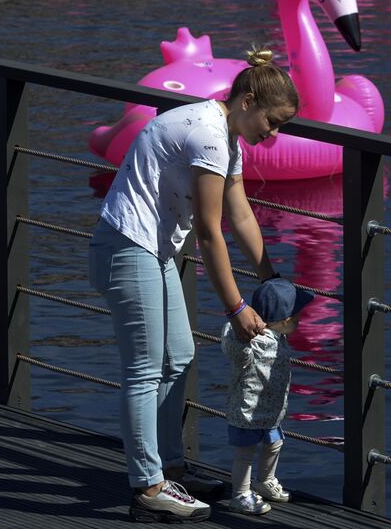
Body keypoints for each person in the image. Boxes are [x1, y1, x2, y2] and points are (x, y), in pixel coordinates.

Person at [89, 48, 298, 523]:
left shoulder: (228, 137)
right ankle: (148, 485)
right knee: (144, 370)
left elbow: (240, 213)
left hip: (152, 250)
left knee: (178, 356)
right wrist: (236, 307)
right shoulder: (207, 134)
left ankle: (169, 468)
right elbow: (208, 231)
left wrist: (270, 276)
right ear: (247, 102)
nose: (275, 133)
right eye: (274, 120)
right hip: (126, 248)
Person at [219, 276, 314, 515]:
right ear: (284, 321)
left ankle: (265, 480)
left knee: (275, 444)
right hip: (248, 412)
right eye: (296, 316)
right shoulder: (249, 342)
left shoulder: (279, 337)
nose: (300, 319)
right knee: (245, 454)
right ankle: (240, 494)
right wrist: (234, 321)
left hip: (272, 412)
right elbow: (231, 346)